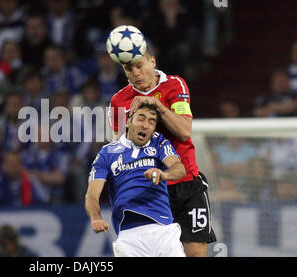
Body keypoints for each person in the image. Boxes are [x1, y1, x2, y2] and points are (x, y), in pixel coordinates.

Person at [108, 39, 216, 257]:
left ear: (152, 61)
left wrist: (157, 106)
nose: (136, 73)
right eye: (129, 69)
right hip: (151, 192)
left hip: (187, 185)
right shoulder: (119, 101)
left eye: (140, 65)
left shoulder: (175, 85)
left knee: (195, 253)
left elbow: (185, 131)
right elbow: (119, 150)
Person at [85, 103, 186, 257]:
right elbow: (91, 195)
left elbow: (180, 169)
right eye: (141, 118)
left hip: (163, 229)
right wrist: (95, 218)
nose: (146, 125)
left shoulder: (159, 142)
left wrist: (163, 174)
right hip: (129, 235)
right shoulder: (107, 152)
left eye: (152, 122)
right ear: (128, 122)